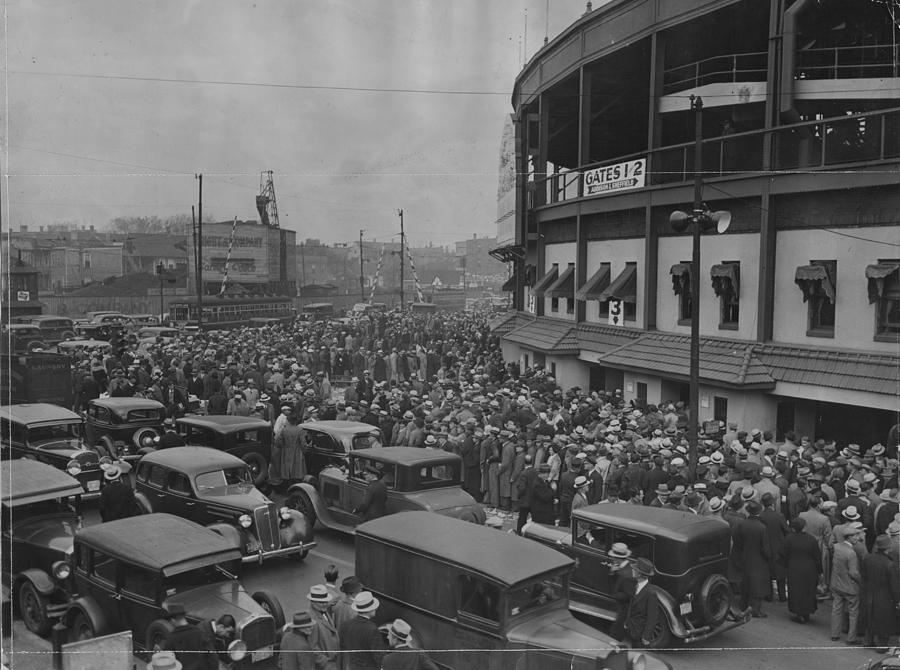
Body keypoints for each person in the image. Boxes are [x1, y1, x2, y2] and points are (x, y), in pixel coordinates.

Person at [777, 517, 821, 623]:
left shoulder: (789, 539)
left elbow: (782, 554)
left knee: (796, 591)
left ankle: (798, 613)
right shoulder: (811, 539)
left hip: (794, 568)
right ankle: (807, 612)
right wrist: (820, 572)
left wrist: (786, 565)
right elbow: (817, 557)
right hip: (809, 569)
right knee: (808, 591)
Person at [732, 501, 771, 618]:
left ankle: (743, 605)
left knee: (746, 582)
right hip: (759, 559)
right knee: (758, 586)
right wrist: (768, 557)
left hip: (745, 556)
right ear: (758, 512)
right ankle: (756, 610)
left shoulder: (741, 524)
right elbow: (766, 548)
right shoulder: (762, 527)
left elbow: (737, 540)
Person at [862, 535, 900, 650]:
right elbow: (894, 586)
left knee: (870, 617)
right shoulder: (890, 564)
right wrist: (898, 601)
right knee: (885, 621)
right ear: (888, 548)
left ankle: (868, 641)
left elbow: (863, 576)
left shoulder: (868, 558)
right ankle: (882, 646)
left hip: (869, 592)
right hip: (885, 597)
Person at [830, 525, 863, 645]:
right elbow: (853, 572)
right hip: (850, 587)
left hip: (837, 584)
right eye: (855, 536)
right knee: (853, 612)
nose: (857, 538)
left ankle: (834, 634)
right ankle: (851, 637)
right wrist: (861, 582)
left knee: (836, 609)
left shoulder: (836, 547)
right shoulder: (851, 553)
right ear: (849, 537)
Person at [338, 591, 387, 670]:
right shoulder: (372, 629)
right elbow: (379, 656)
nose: (376, 609)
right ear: (370, 610)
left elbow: (343, 648)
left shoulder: (345, 625)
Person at [622, 558, 664, 648]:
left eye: (635, 569)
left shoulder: (651, 593)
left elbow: (652, 617)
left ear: (640, 574)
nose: (632, 570)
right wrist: (627, 622)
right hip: (633, 630)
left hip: (641, 635)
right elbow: (631, 606)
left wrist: (646, 636)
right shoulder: (636, 586)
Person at [162, 603, 217, 670]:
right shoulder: (200, 633)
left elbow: (168, 664)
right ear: (184, 616)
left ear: (172, 620)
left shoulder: (170, 639)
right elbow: (213, 658)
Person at [307, 585, 339, 670]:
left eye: (326, 601)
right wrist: (327, 666)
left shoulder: (323, 611)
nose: (325, 604)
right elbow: (313, 649)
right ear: (312, 602)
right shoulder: (311, 620)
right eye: (321, 602)